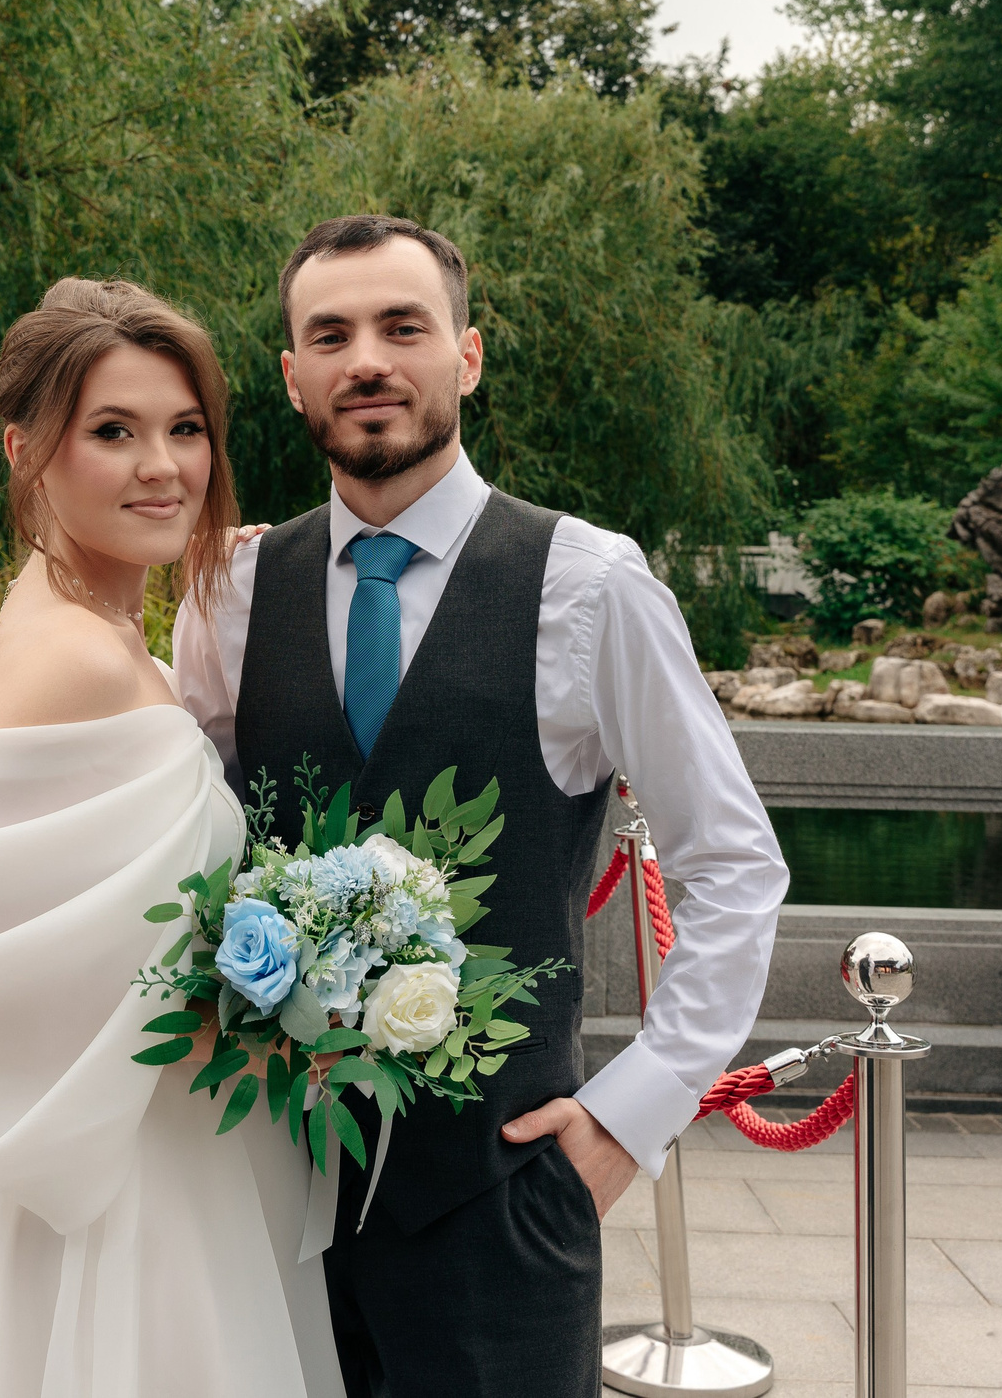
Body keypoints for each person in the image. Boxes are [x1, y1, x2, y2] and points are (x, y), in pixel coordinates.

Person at [173, 214, 788, 1398]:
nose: (367, 360)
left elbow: (731, 866)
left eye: (402, 326)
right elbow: (191, 849)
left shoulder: (590, 584)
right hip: (266, 1201)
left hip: (501, 1203)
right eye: (330, 334)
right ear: (292, 375)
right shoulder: (231, 591)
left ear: (466, 355)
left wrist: (625, 1122)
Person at [0, 277, 342, 1398]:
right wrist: (322, 1013)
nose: (163, 466)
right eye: (113, 432)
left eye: (185, 429)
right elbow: (37, 976)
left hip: (166, 1150)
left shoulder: (97, 626)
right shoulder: (78, 661)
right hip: (137, 1193)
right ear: (27, 451)